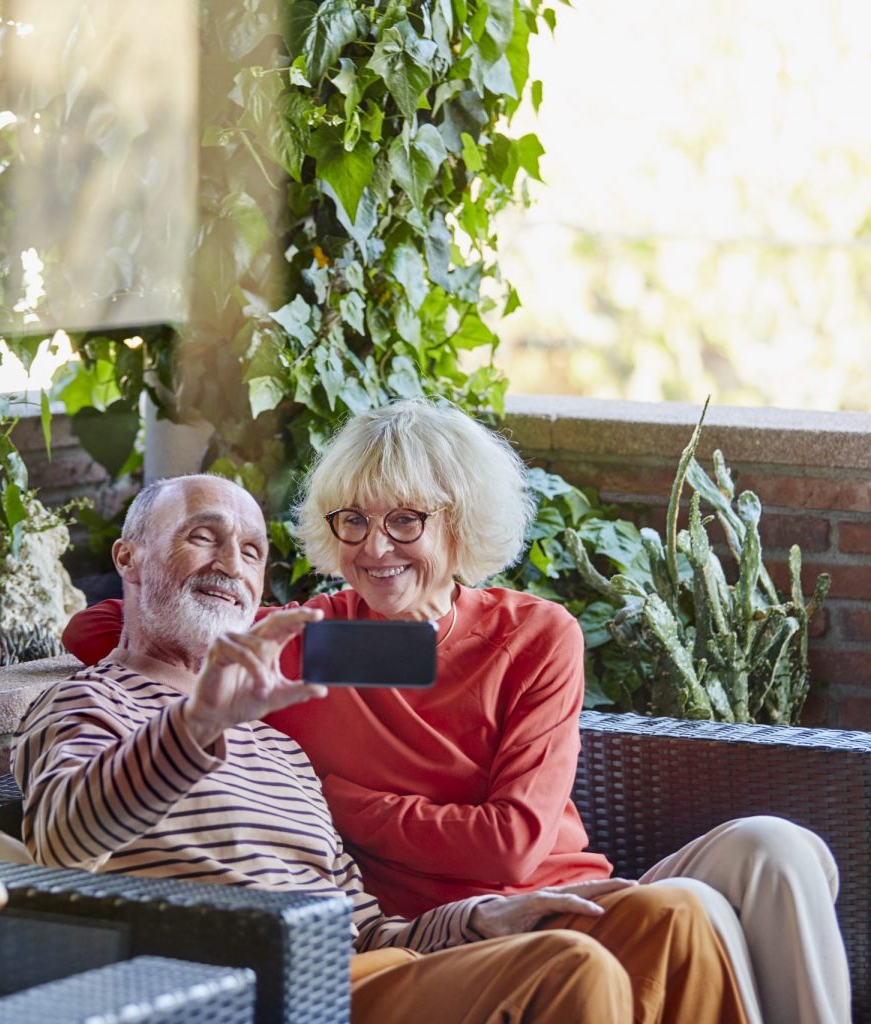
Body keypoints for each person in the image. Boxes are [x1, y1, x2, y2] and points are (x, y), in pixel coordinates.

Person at [63, 403, 851, 1024]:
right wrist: (159, 583)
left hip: (551, 888)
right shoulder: (317, 645)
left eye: (406, 520)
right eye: (355, 521)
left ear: (459, 522)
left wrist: (339, 796)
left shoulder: (529, 634)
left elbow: (510, 848)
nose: (377, 548)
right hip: (435, 931)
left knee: (777, 848)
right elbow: (122, 629)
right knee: (693, 908)